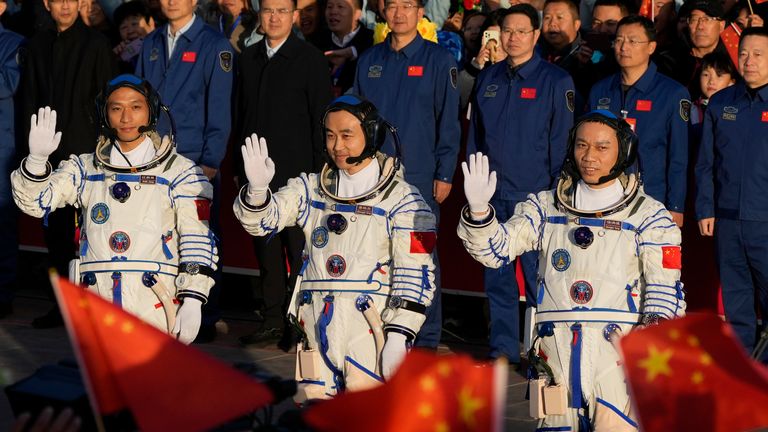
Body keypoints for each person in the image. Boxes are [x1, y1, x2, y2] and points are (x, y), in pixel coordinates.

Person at [458, 110, 686, 430]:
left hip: (617, 357)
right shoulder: (546, 207)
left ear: (625, 151)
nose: (589, 156)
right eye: (581, 145)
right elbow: (495, 251)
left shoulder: (649, 217)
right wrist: (480, 212)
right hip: (557, 355)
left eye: (602, 147)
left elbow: (665, 289)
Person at [233, 95, 437, 401]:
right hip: (316, 325)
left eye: (346, 135)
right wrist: (258, 190)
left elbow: (415, 274)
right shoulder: (311, 189)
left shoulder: (404, 200)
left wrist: (399, 333)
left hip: (370, 327)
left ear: (372, 135)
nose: (337, 146)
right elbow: (262, 222)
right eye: (330, 135)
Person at [10, 74, 217, 344]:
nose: (126, 117)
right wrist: (37, 162)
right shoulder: (84, 169)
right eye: (116, 108)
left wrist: (193, 299)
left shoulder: (180, 172)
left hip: (156, 302)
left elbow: (196, 237)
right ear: (104, 114)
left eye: (135, 107)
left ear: (151, 111)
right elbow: (36, 203)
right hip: (98, 301)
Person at [467, 3, 575, 363]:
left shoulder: (556, 81)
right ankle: (502, 348)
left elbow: (561, 141)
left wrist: (558, 195)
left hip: (535, 197)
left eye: (521, 31)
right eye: (506, 32)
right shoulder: (489, 78)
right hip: (492, 196)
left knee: (539, 280)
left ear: (535, 33)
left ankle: (545, 351)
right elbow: (475, 138)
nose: (513, 38)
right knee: (496, 278)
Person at [353, 0, 460, 349]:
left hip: (419, 176)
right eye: (392, 5)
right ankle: (379, 332)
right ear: (383, 11)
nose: (399, 13)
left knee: (420, 256)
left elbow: (449, 122)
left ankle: (426, 338)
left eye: (407, 5)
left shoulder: (439, 60)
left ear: (420, 12)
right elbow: (354, 119)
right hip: (372, 179)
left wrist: (445, 172)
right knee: (374, 252)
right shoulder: (369, 61)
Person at [136, 0, 234, 341]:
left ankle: (205, 315)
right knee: (156, 236)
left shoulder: (214, 45)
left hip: (194, 162)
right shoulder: (150, 43)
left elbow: (219, 107)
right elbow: (138, 101)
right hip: (152, 162)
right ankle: (161, 310)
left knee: (200, 239)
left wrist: (210, 161)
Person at [19, 0, 119, 328]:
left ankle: (95, 307)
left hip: (88, 156)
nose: (65, 5)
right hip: (47, 155)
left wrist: (106, 150)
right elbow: (29, 99)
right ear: (46, 4)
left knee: (94, 233)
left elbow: (108, 99)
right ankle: (62, 305)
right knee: (56, 236)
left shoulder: (97, 44)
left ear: (81, 4)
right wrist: (31, 152)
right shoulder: (37, 45)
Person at [695, 27, 768, 362]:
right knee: (736, 303)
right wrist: (705, 208)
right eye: (743, 54)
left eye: (758, 54)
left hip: (764, 221)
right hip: (727, 221)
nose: (748, 61)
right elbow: (706, 163)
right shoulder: (722, 103)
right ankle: (741, 373)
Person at [588, 15, 690, 227]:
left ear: (651, 47)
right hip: (603, 197)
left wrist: (676, 206)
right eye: (619, 40)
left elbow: (678, 156)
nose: (624, 47)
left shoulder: (672, 93)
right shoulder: (600, 90)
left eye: (633, 41)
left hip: (651, 198)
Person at [0, 0, 23, 319]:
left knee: (2, 224)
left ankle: (2, 295)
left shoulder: (15, 44)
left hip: (1, 147)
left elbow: (8, 83)